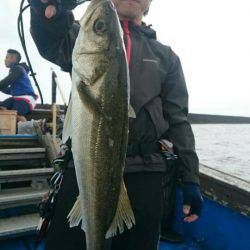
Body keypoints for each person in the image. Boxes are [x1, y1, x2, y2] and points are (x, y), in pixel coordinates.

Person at [29, 0, 203, 249]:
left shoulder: (166, 56)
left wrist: (190, 178)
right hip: (83, 166)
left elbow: (179, 121)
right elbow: (51, 39)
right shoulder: (81, 35)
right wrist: (47, 12)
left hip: (146, 171)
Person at [0, 49, 37, 122]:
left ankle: (29, 129)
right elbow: (11, 90)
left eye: (7, 57)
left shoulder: (18, 69)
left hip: (27, 98)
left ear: (13, 58)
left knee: (16, 114)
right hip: (16, 98)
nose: (4, 60)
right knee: (2, 107)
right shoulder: (15, 70)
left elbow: (7, 81)